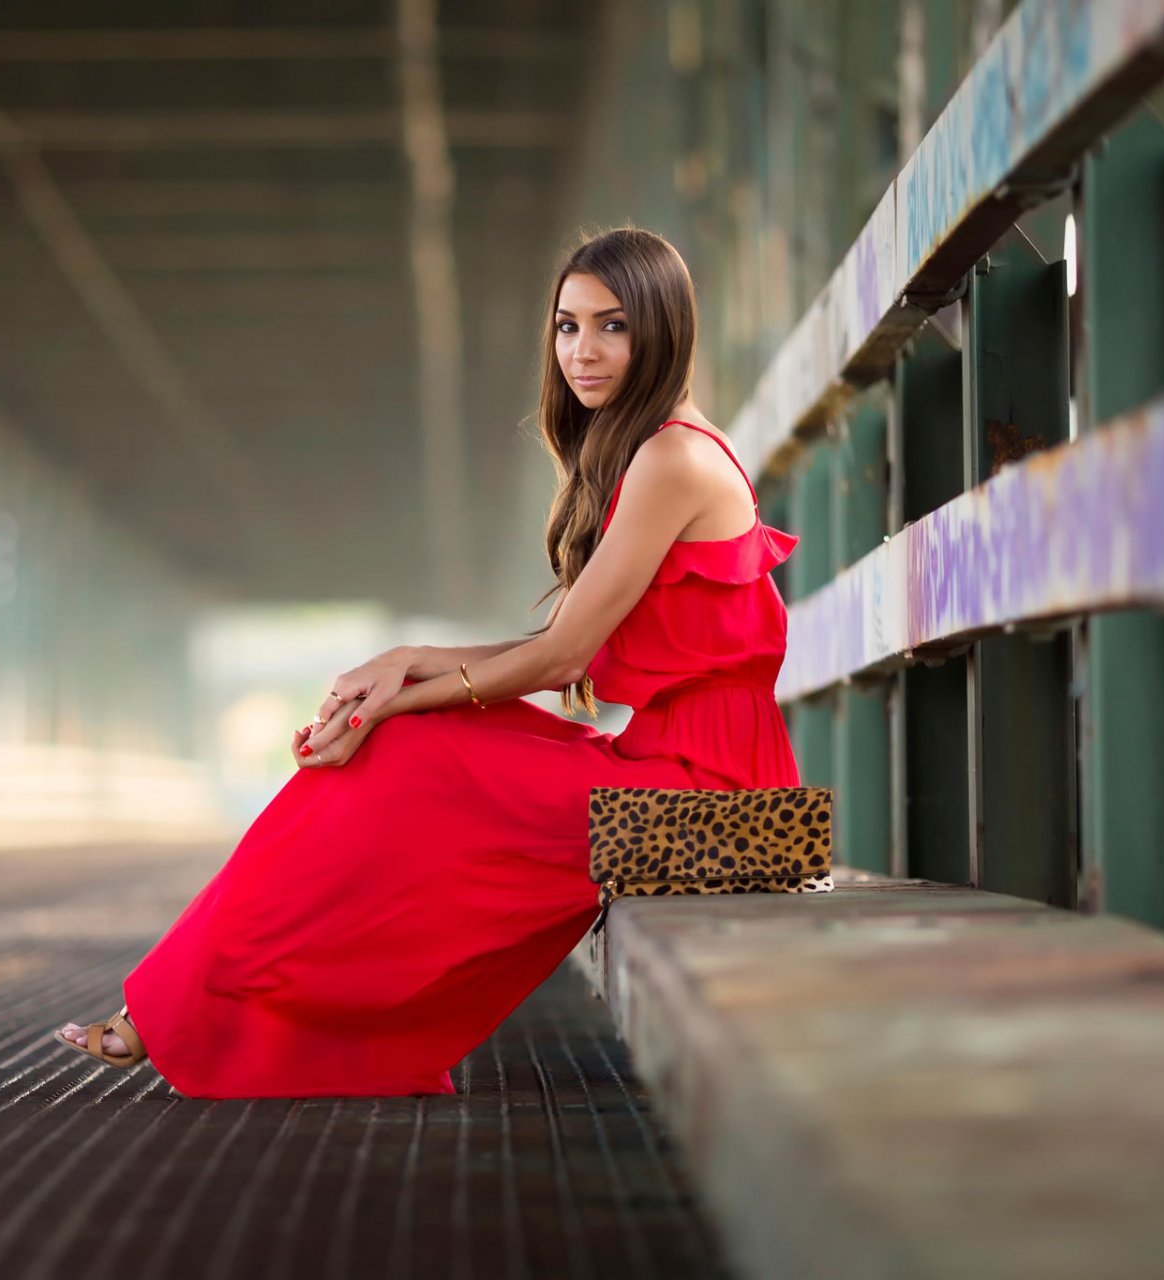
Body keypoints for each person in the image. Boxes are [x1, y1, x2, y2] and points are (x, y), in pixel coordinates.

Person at [53, 226, 802, 1097]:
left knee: (404, 754)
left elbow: (562, 654)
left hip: (732, 826)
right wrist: (408, 665)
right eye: (567, 326)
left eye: (613, 326)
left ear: (665, 330)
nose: (583, 352)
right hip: (675, 780)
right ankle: (184, 1007)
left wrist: (398, 704)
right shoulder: (659, 447)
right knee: (401, 758)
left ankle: (179, 1012)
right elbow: (565, 654)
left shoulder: (674, 458)